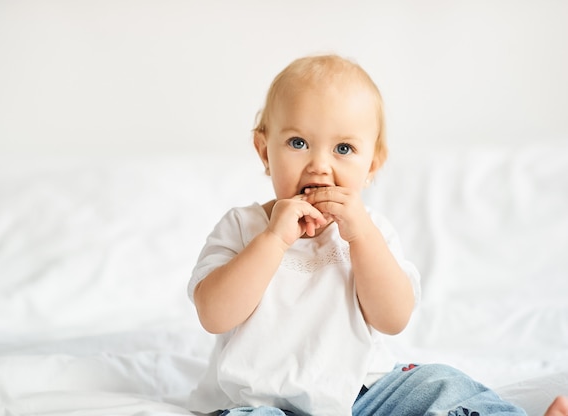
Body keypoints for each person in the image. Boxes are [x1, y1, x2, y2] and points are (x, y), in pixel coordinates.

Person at [186, 54, 568, 416]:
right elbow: (214, 315)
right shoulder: (242, 226)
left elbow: (393, 318)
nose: (320, 164)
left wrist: (363, 239)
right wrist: (272, 240)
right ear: (264, 150)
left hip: (363, 395)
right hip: (259, 400)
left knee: (441, 383)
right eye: (298, 143)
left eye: (344, 148)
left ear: (372, 164)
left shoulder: (370, 233)